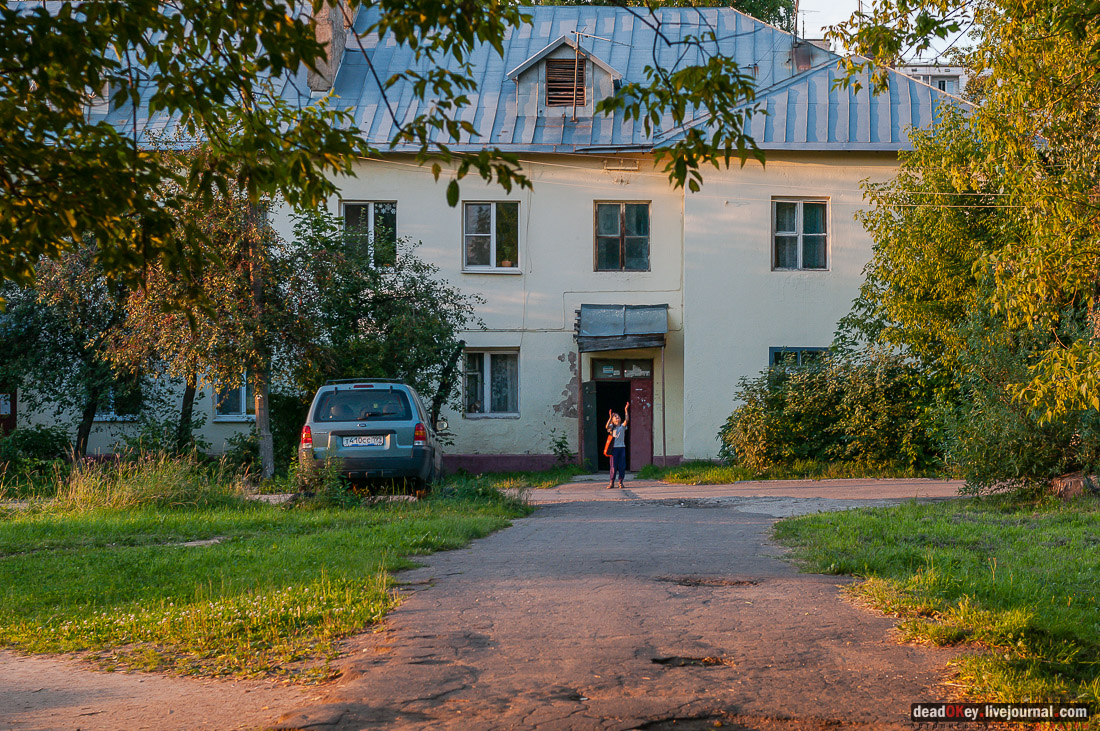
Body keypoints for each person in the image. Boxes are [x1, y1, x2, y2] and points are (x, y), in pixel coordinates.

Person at [605, 402, 629, 489]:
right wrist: (610, 417)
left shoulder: (622, 427)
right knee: (613, 466)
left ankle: (620, 482)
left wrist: (626, 410)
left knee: (622, 466)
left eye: (618, 416)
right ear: (612, 420)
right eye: (615, 417)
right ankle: (611, 482)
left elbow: (627, 420)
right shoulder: (611, 427)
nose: (617, 417)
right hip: (614, 449)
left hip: (622, 448)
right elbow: (606, 426)